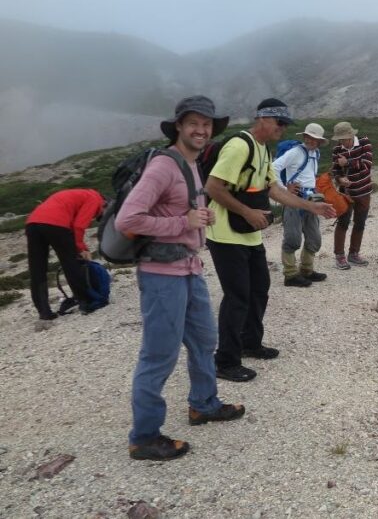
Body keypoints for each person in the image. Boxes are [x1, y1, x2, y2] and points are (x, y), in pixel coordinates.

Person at [116, 95, 245, 461]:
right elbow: (128, 220)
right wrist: (182, 222)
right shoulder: (163, 165)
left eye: (206, 125)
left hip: (189, 268)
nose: (200, 130)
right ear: (178, 127)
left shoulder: (191, 164)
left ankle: (203, 404)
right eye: (193, 123)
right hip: (162, 275)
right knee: (159, 354)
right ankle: (144, 437)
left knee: (204, 340)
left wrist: (200, 221)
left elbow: (183, 211)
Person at [205, 98, 336, 382]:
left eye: (285, 124)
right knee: (237, 296)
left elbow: (274, 190)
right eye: (279, 122)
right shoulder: (239, 146)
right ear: (262, 118)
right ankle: (225, 361)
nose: (283, 128)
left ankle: (250, 342)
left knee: (259, 289)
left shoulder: (262, 149)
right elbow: (213, 187)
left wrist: (312, 207)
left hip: (249, 234)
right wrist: (247, 212)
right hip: (225, 234)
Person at [24, 188, 105, 320]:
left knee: (37, 268)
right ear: (104, 203)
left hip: (32, 223)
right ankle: (86, 302)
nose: (95, 216)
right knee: (71, 263)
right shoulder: (95, 198)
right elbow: (79, 226)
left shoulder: (77, 194)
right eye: (98, 215)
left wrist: (79, 246)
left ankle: (44, 312)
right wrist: (82, 248)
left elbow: (72, 223)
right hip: (56, 224)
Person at [271, 122, 329, 287]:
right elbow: (273, 168)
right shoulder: (296, 152)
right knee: (293, 238)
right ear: (304, 137)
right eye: (308, 137)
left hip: (311, 199)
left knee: (314, 238)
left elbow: (308, 174)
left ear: (319, 142)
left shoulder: (315, 153)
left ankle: (306, 270)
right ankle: (290, 275)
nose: (310, 141)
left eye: (314, 139)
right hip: (294, 199)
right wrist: (284, 189)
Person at [330, 121, 373, 270]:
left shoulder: (364, 142)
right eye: (340, 140)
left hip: (363, 191)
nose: (342, 142)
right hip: (345, 193)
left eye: (344, 139)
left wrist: (347, 162)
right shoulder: (336, 150)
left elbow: (367, 164)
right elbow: (335, 171)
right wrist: (340, 179)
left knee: (360, 223)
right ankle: (339, 255)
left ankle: (354, 253)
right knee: (343, 222)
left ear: (351, 135)